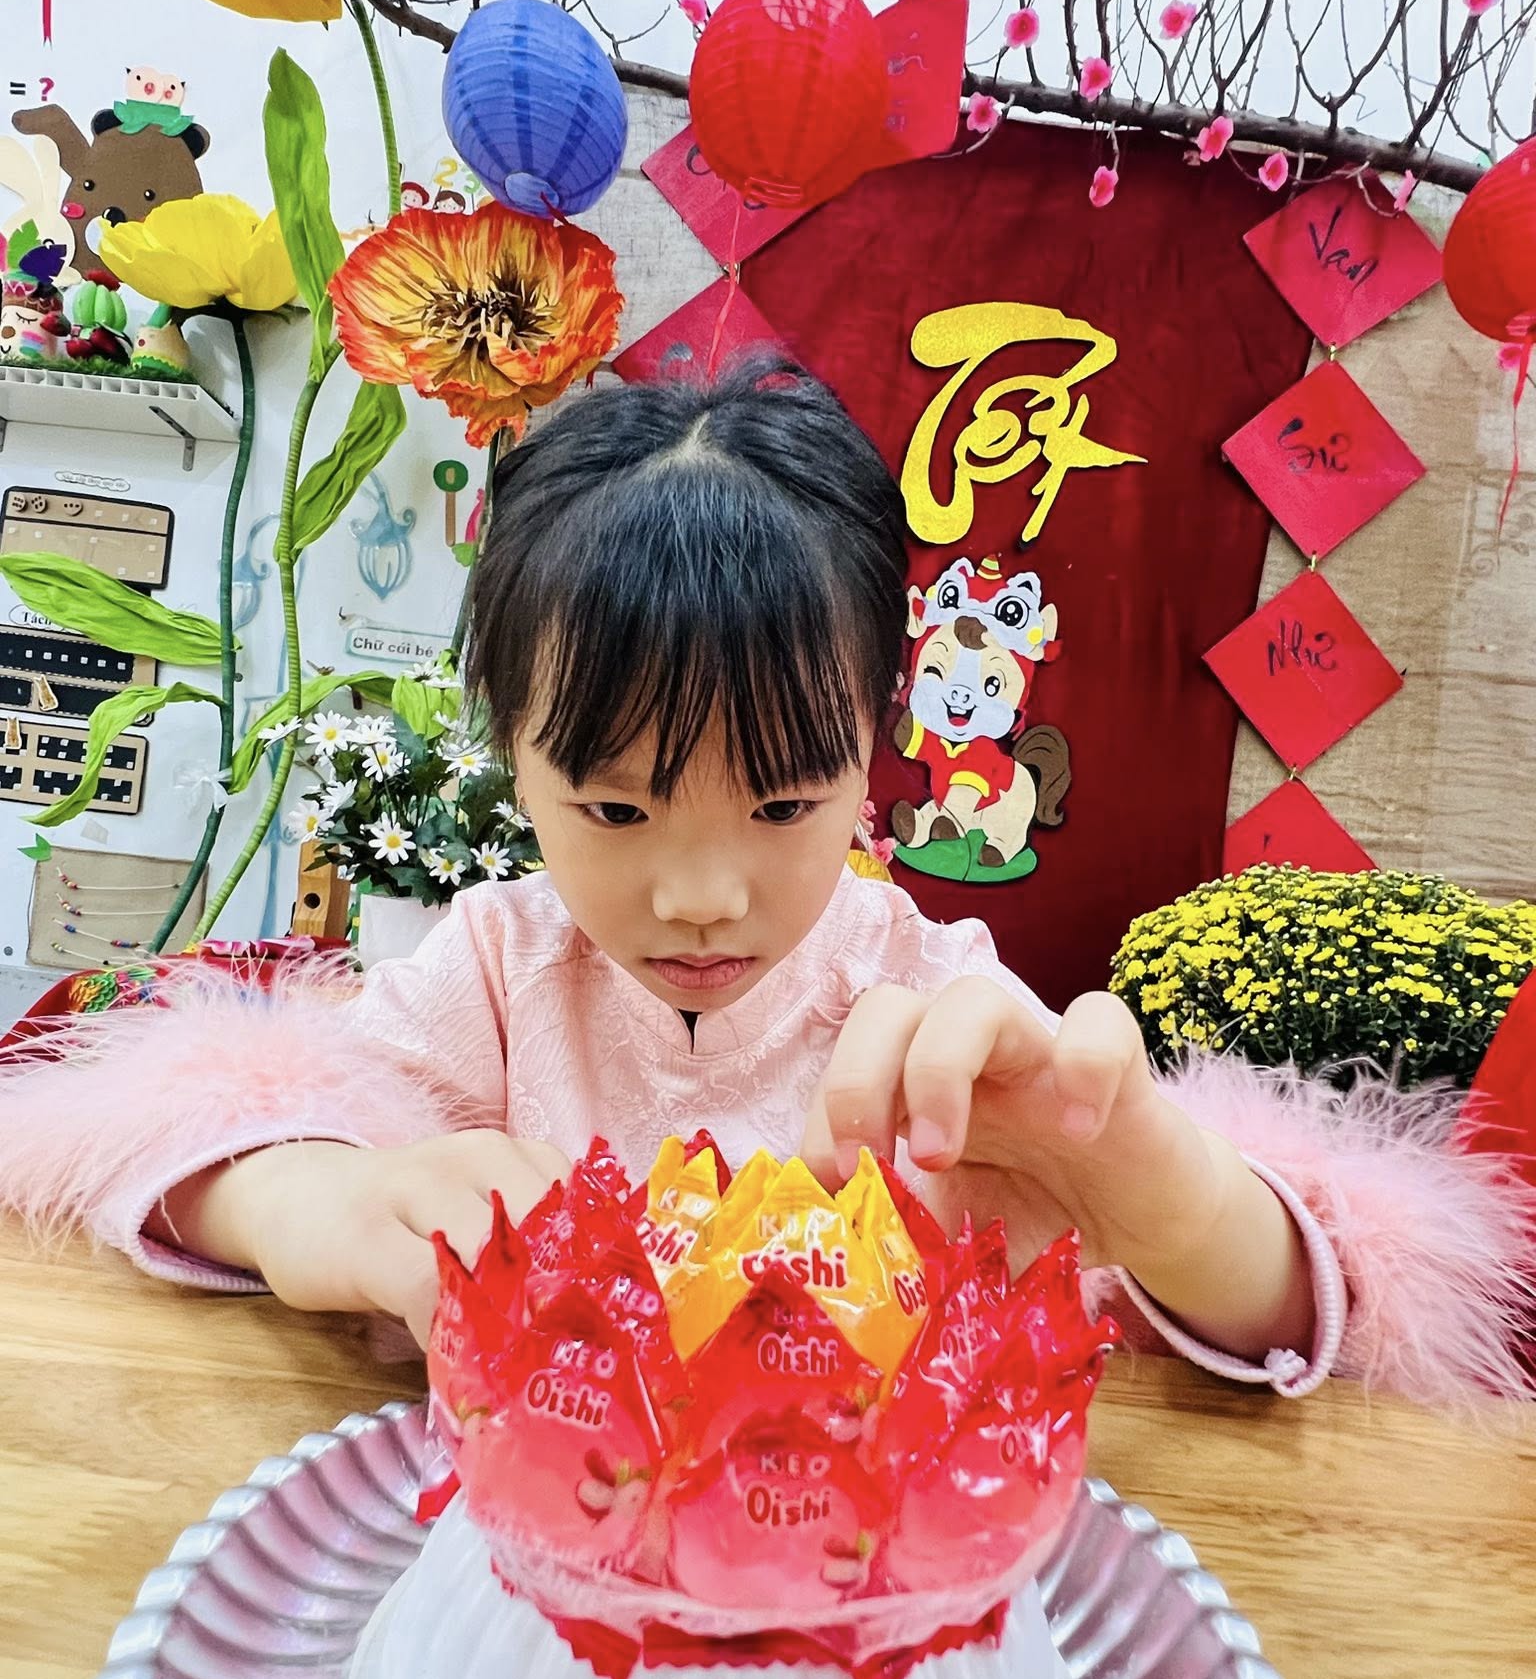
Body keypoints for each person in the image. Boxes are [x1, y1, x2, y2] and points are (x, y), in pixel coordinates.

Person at [1, 359, 1530, 1408]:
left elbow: (1286, 1316)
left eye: (784, 803)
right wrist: (312, 1199)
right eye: (614, 806)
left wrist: (1172, 1203)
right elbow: (209, 1140)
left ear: (879, 750)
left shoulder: (938, 1009)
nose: (701, 896)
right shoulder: (497, 967)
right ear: (511, 759)